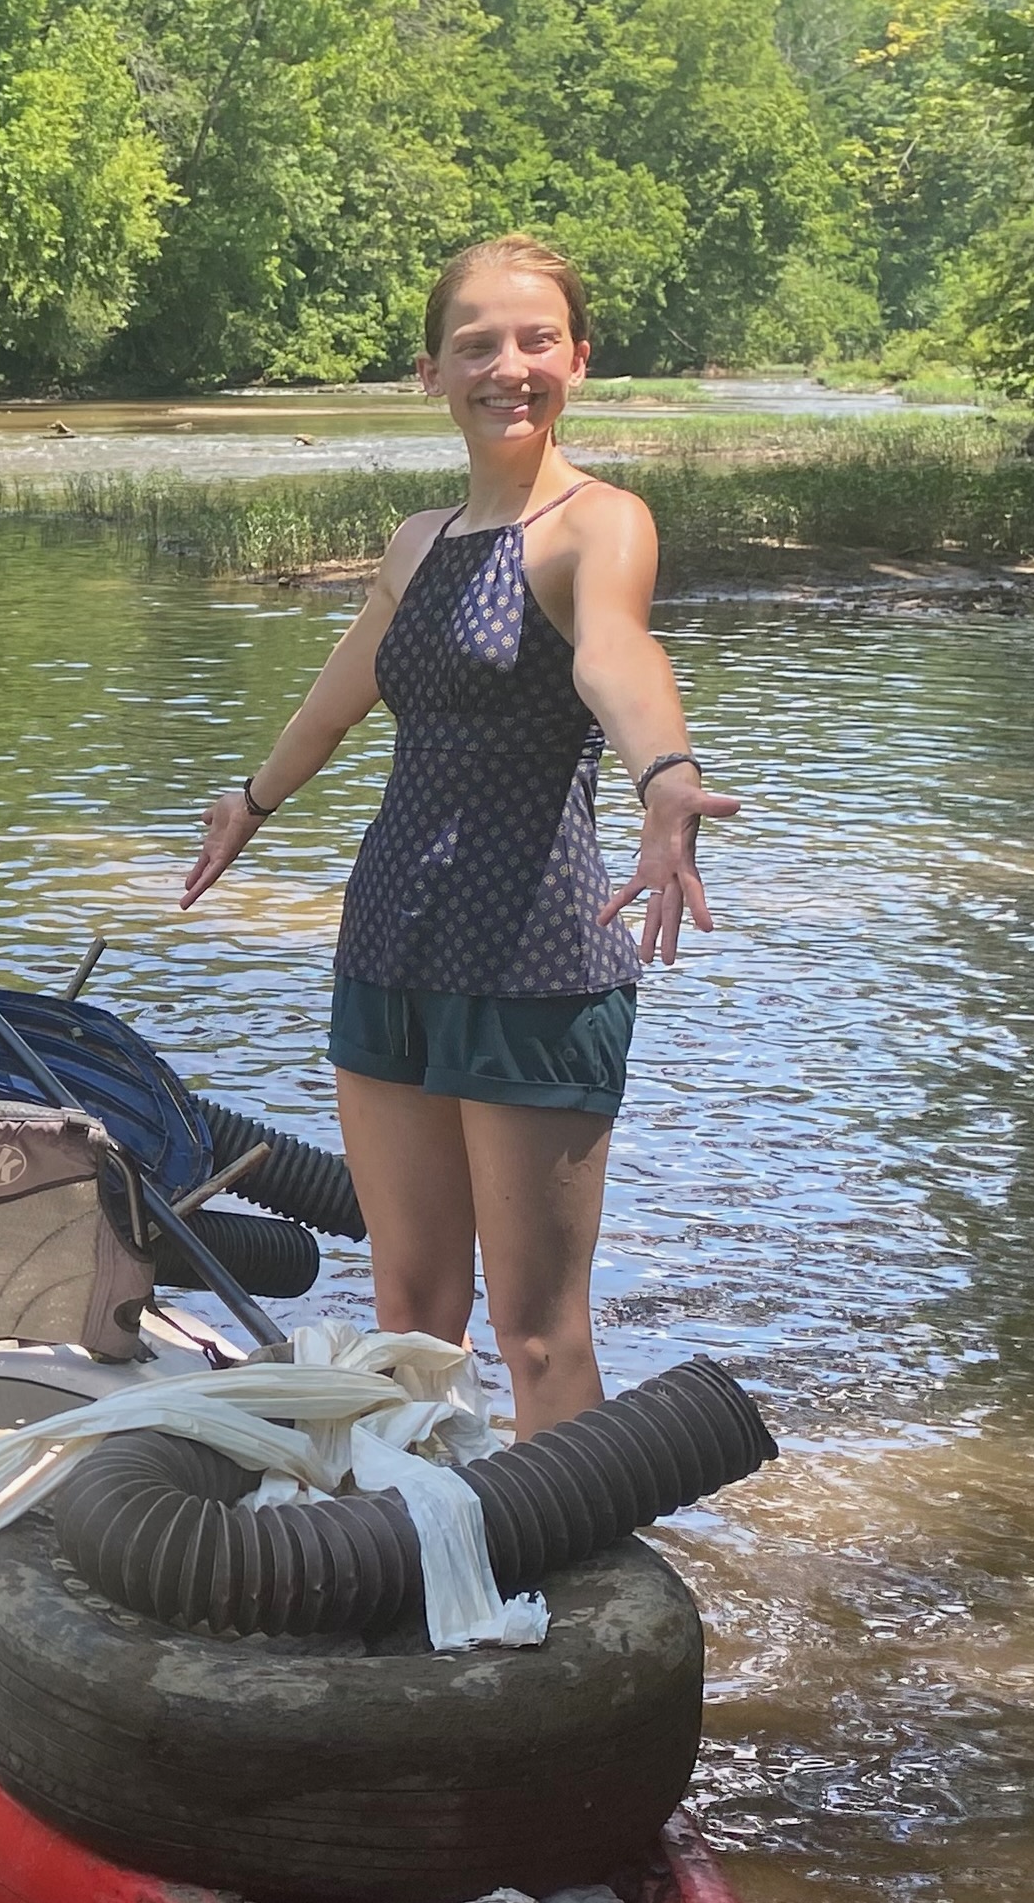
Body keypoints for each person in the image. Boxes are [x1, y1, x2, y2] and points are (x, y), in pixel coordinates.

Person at [180, 236, 738, 1438]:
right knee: (414, 1311)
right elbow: (340, 695)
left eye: (537, 340)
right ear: (432, 371)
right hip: (389, 947)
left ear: (578, 360)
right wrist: (250, 802)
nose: (508, 367)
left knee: (538, 1335)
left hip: (535, 962)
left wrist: (667, 775)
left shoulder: (600, 525)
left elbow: (618, 654)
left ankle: (575, 1547)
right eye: (477, 345)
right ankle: (426, 1530)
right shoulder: (419, 541)